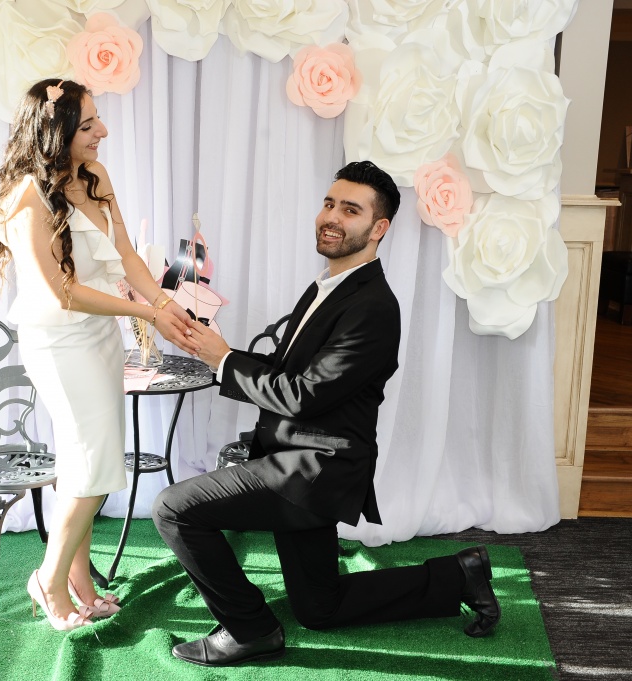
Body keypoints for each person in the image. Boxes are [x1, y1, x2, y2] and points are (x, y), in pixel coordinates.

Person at [153, 161, 501, 666]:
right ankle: (459, 576)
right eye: (329, 203)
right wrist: (219, 353)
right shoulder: (328, 286)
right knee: (320, 607)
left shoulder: (373, 307)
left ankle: (250, 630)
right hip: (296, 459)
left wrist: (223, 360)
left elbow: (303, 397)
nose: (332, 216)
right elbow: (285, 370)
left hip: (316, 471)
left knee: (173, 508)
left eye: (351, 210)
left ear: (379, 229)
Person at [0, 79, 198, 631]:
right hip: (59, 344)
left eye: (98, 119)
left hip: (101, 337)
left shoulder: (95, 176)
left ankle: (79, 579)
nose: (102, 130)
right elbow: (63, 292)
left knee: (85, 462)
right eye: (87, 125)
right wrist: (144, 313)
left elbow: (125, 254)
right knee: (95, 463)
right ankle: (49, 579)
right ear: (54, 132)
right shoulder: (25, 199)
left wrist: (163, 303)